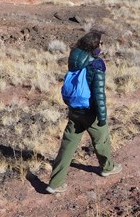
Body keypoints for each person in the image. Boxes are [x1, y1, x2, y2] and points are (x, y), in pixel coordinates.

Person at [46, 31, 122, 194]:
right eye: (100, 43)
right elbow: (99, 94)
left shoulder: (74, 59)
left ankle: (55, 183)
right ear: (95, 45)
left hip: (75, 109)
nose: (102, 46)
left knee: (67, 146)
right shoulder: (96, 65)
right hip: (90, 112)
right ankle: (108, 167)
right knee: (101, 140)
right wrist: (102, 117)